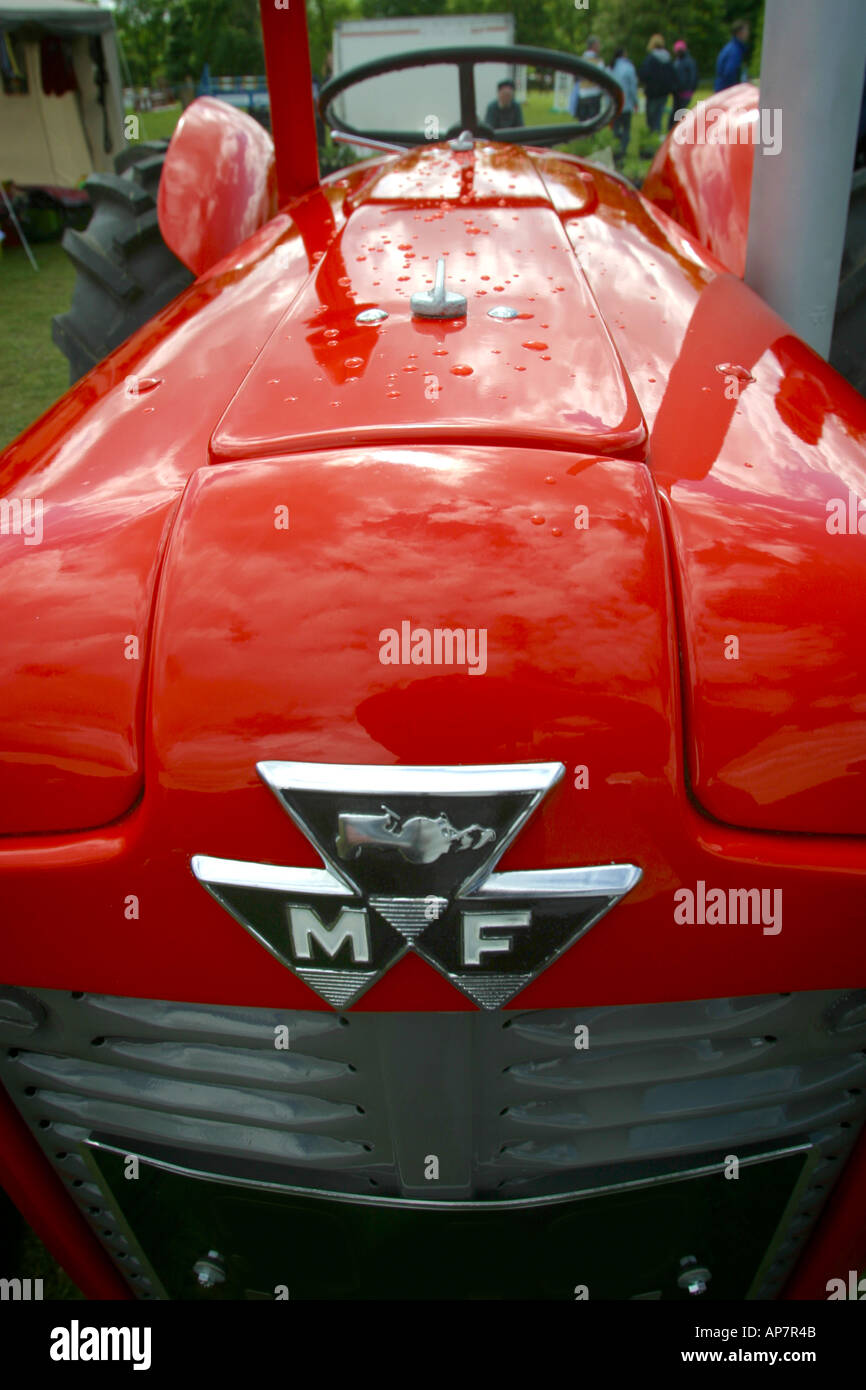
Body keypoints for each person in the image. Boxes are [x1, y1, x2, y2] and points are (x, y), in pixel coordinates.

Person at [639, 34, 677, 135]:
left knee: (651, 116)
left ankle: (652, 134)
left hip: (652, 92)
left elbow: (644, 74)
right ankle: (657, 133)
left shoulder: (650, 59)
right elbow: (673, 75)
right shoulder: (668, 58)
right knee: (659, 115)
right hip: (664, 92)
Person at [610, 48, 638, 163]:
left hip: (613, 105)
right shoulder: (629, 68)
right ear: (624, 55)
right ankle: (623, 149)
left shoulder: (611, 68)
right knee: (626, 128)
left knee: (615, 128)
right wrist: (635, 102)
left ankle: (616, 149)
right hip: (626, 104)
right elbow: (632, 87)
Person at [569, 34, 604, 122]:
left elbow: (576, 78)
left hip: (582, 95)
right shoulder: (598, 61)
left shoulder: (581, 60)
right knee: (593, 123)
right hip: (594, 94)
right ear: (594, 45)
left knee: (582, 123)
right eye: (598, 44)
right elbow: (602, 79)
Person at [669, 39, 698, 129]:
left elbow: (693, 77)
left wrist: (690, 88)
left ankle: (675, 128)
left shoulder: (688, 62)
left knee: (680, 111)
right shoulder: (677, 61)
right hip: (677, 91)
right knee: (676, 111)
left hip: (685, 91)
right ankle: (673, 128)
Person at [714, 20, 750, 92]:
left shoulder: (733, 47)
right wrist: (737, 89)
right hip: (726, 91)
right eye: (746, 30)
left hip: (722, 89)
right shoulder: (734, 50)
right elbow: (730, 73)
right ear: (739, 33)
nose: (748, 33)